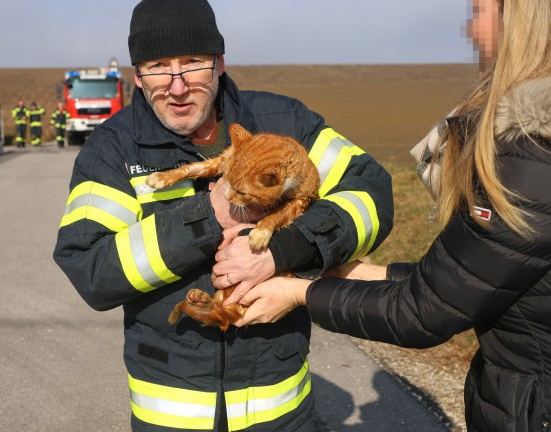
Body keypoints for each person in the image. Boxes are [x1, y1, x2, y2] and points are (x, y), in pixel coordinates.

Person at [53, 1, 394, 431]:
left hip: (281, 409)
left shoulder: (284, 121)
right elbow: (89, 270)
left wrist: (286, 248)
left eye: (192, 63)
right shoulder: (112, 150)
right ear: (137, 77)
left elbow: (371, 193)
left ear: (219, 64)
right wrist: (208, 217)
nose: (176, 87)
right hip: (169, 414)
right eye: (158, 67)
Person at [234, 0, 551, 431]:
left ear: (516, 23)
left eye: (479, 13)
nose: (471, 30)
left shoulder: (531, 160)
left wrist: (298, 294)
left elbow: (425, 313)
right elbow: (471, 280)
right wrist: (369, 274)